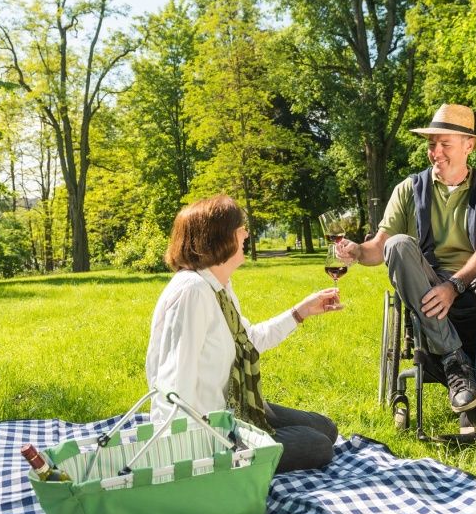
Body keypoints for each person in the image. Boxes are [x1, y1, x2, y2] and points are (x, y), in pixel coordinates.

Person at [337, 103, 476, 435]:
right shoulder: (409, 189)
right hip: (426, 286)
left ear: (468, 146)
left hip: (474, 285)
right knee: (398, 244)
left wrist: (455, 286)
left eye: (444, 144)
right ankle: (455, 362)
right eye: (431, 144)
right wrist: (356, 251)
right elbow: (378, 248)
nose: (435, 152)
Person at [146, 195, 342, 472]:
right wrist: (186, 458)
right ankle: (237, 457)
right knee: (317, 445)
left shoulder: (219, 287)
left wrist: (301, 312)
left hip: (237, 408)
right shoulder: (192, 292)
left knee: (326, 428)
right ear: (220, 236)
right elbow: (172, 383)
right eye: (241, 228)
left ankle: (258, 431)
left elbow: (250, 341)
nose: (247, 234)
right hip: (210, 433)